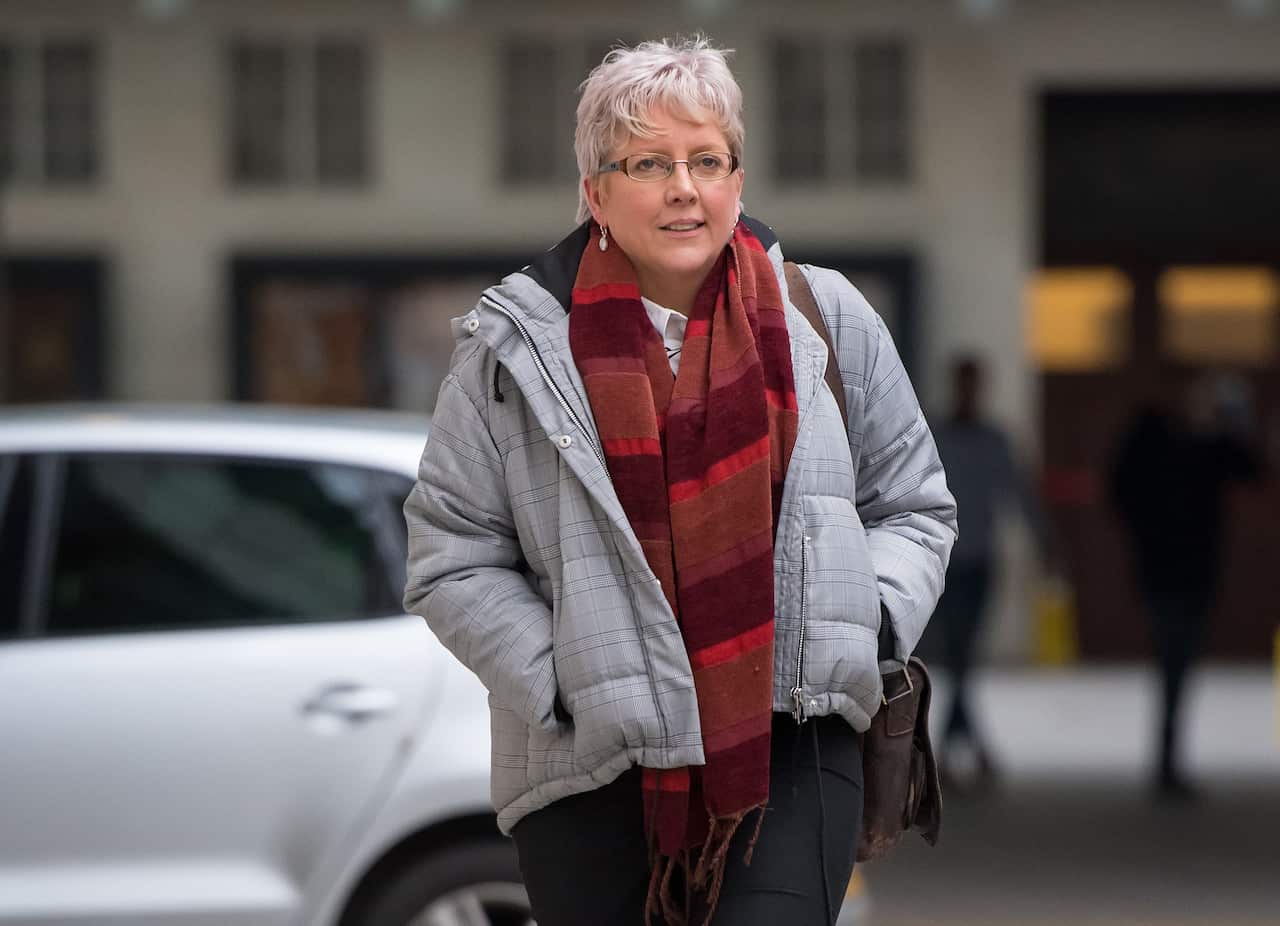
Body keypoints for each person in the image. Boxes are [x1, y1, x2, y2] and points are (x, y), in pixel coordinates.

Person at [403, 36, 956, 926]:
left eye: (707, 160)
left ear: (739, 179)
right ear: (595, 193)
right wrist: (561, 680)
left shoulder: (827, 315)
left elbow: (914, 505)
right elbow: (450, 555)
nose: (683, 188)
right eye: (649, 163)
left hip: (793, 742)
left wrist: (866, 620)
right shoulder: (510, 354)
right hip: (589, 761)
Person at [1109, 371, 1264, 800]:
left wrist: (1236, 421)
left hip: (1190, 571)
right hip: (1168, 570)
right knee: (1174, 663)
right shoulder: (1155, 439)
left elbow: (1253, 469)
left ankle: (1168, 758)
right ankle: (1167, 761)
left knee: (1177, 665)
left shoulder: (1208, 446)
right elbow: (1120, 488)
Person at [929, 355, 1052, 791]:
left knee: (964, 655)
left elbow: (1018, 495)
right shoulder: (937, 438)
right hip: (945, 562)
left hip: (980, 561)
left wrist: (1046, 545)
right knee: (959, 655)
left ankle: (954, 751)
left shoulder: (994, 440)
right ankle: (964, 751)